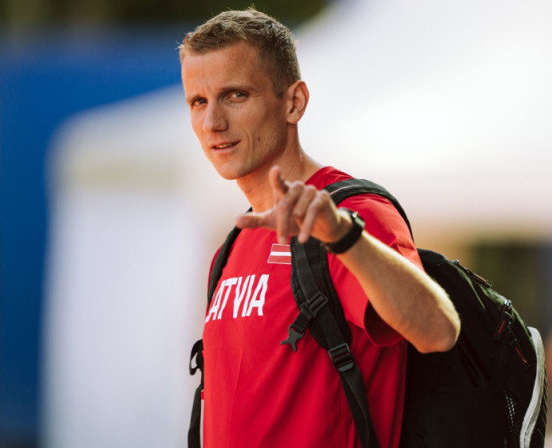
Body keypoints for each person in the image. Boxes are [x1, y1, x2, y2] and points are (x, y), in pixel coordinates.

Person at [178, 7, 461, 448]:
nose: (212, 122)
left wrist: (344, 236)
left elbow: (439, 331)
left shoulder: (353, 214)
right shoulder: (230, 250)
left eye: (235, 95)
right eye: (198, 101)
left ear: (294, 102)